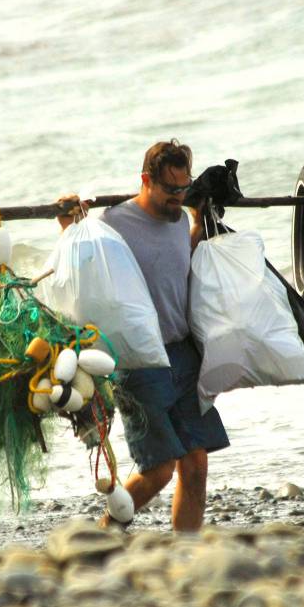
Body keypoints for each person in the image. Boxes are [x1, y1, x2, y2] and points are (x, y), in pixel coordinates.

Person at [57, 140, 230, 531]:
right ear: (145, 181)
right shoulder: (111, 222)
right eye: (170, 189)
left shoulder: (180, 220)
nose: (178, 197)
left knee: (197, 464)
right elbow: (79, 265)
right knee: (160, 469)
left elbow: (177, 265)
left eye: (183, 188)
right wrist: (69, 225)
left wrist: (199, 225)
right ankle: (104, 531)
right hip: (136, 362)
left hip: (183, 355)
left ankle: (187, 551)